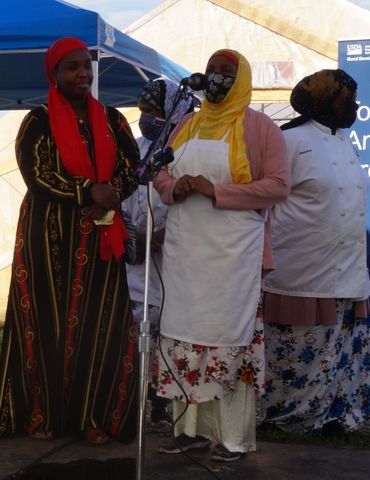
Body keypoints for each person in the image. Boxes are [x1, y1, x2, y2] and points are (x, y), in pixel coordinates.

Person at [0, 37, 140, 445]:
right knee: (46, 324)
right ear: (54, 74)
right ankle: (42, 416)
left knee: (101, 325)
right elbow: (34, 173)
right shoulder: (36, 121)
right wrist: (86, 191)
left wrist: (109, 193)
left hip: (101, 235)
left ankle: (94, 416)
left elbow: (132, 167)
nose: (83, 73)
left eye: (87, 66)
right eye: (72, 67)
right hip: (48, 237)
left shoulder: (113, 120)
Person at [153, 49, 290, 461]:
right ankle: (190, 431)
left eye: (225, 72)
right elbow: (160, 169)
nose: (215, 77)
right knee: (185, 339)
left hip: (234, 260)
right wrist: (169, 187)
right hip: (186, 256)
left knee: (227, 342)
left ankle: (231, 438)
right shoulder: (187, 123)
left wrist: (218, 191)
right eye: (211, 70)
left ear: (242, 78)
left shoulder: (260, 127)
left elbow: (278, 186)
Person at [260, 69, 370, 433]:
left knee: (339, 347)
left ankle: (333, 413)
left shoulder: (344, 141)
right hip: (299, 269)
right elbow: (263, 203)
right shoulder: (287, 140)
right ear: (325, 99)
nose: (353, 106)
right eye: (346, 98)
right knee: (295, 346)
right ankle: (286, 414)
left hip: (347, 268)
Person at [121, 78, 195, 427]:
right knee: (135, 331)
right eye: (143, 112)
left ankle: (162, 400)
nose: (146, 119)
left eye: (154, 112)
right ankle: (129, 397)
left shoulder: (188, 149)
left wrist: (163, 235)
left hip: (172, 259)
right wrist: (131, 235)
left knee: (168, 333)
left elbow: (191, 206)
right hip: (135, 259)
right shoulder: (133, 149)